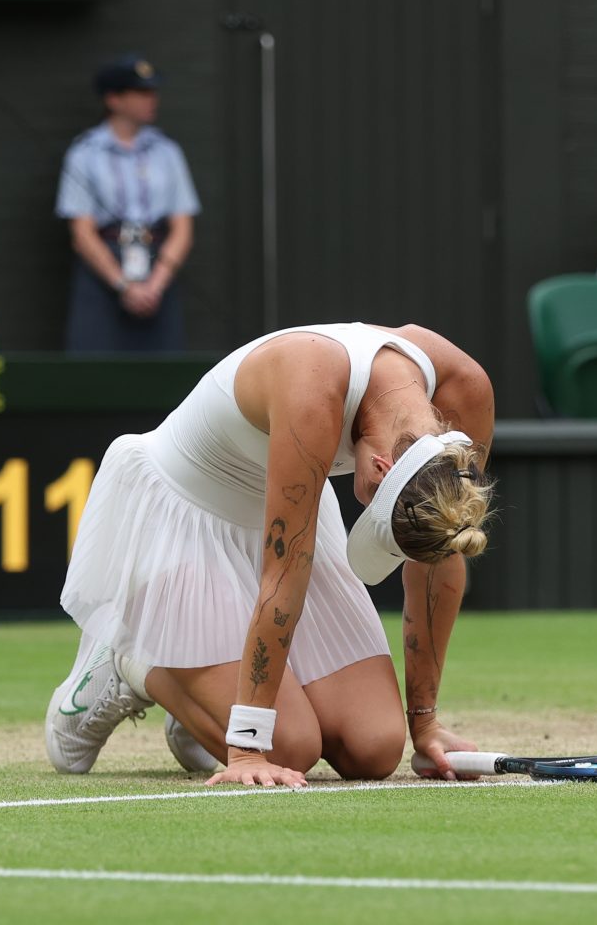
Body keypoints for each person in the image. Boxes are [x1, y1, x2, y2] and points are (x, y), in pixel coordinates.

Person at [45, 322, 494, 788]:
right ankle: (132, 658)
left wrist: (425, 724)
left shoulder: (464, 390)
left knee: (375, 748)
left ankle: (202, 692)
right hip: (190, 524)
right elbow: (284, 579)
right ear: (382, 470)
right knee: (290, 747)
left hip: (284, 515)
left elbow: (442, 553)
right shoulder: (311, 389)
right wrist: (244, 749)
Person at [56, 54, 200, 352]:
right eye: (141, 93)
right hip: (104, 270)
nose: (152, 100)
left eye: (153, 92)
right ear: (114, 99)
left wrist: (155, 285)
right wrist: (124, 285)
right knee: (95, 363)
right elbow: (82, 233)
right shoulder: (84, 153)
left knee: (165, 367)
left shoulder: (167, 151)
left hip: (156, 265)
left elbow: (182, 227)